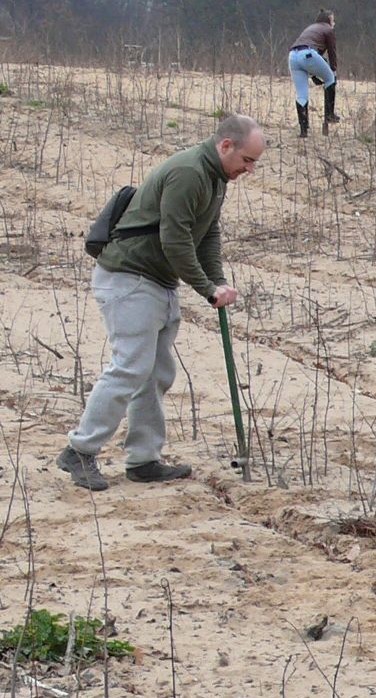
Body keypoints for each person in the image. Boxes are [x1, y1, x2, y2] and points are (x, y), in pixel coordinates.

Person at [57, 116, 267, 490]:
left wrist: (217, 279)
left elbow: (207, 232)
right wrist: (206, 288)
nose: (249, 170)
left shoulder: (215, 178)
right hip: (130, 278)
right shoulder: (189, 172)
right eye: (247, 160)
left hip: (157, 281)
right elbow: (175, 240)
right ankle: (79, 450)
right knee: (129, 368)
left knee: (155, 373)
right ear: (225, 146)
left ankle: (143, 460)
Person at [288, 10, 340, 137]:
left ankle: (303, 130)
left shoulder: (311, 28)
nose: (334, 23)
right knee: (330, 79)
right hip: (308, 54)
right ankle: (329, 115)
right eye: (333, 20)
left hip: (292, 55)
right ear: (328, 20)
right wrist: (333, 70)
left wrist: (313, 74)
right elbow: (332, 52)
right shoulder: (328, 29)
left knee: (301, 94)